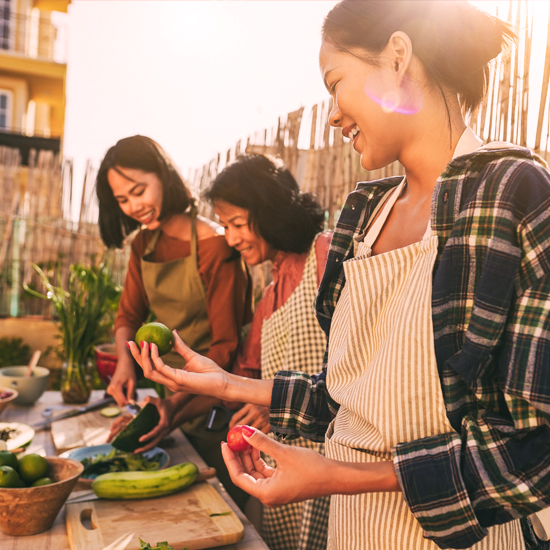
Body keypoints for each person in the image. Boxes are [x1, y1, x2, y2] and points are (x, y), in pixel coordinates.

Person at [127, 2, 550, 549]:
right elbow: (347, 400)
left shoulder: (512, 193)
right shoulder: (363, 216)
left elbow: (534, 449)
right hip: (355, 534)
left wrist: (338, 477)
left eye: (336, 82)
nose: (331, 113)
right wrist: (229, 384)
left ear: (398, 57)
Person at [95, 135, 252, 509]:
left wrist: (175, 407)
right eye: (122, 200)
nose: (134, 206)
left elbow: (225, 349)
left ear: (163, 176)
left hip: (213, 410)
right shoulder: (142, 246)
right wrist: (124, 366)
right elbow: (128, 317)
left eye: (139, 191)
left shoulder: (215, 244)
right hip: (170, 409)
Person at [204, 154, 332, 550]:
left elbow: (366, 356)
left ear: (271, 211)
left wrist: (278, 405)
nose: (230, 238)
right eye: (225, 226)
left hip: (333, 464)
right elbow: (249, 379)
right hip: (284, 469)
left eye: (238, 224)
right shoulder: (269, 297)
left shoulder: (325, 257)